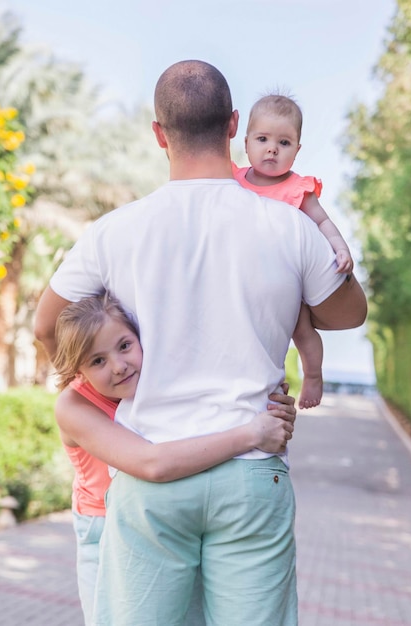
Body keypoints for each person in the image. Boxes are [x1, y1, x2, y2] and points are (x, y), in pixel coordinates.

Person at [34, 60, 367, 626]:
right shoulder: (289, 227)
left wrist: (104, 402)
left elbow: (48, 327)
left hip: (150, 475)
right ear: (234, 125)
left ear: (159, 133)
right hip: (253, 469)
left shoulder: (115, 231)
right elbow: (348, 312)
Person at [53, 293, 296, 625]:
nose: (118, 366)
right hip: (103, 524)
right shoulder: (74, 406)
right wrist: (253, 434)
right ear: (77, 369)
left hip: (166, 523)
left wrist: (274, 412)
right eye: (97, 361)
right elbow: (153, 463)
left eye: (124, 346)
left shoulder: (164, 380)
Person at [233, 94, 354, 409]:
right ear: (246, 142)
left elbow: (324, 222)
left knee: (302, 329)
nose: (272, 148)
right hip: (243, 275)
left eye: (284, 142)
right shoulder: (232, 179)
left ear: (297, 150)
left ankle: (312, 373)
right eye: (263, 139)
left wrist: (340, 248)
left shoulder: (297, 189)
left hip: (286, 277)